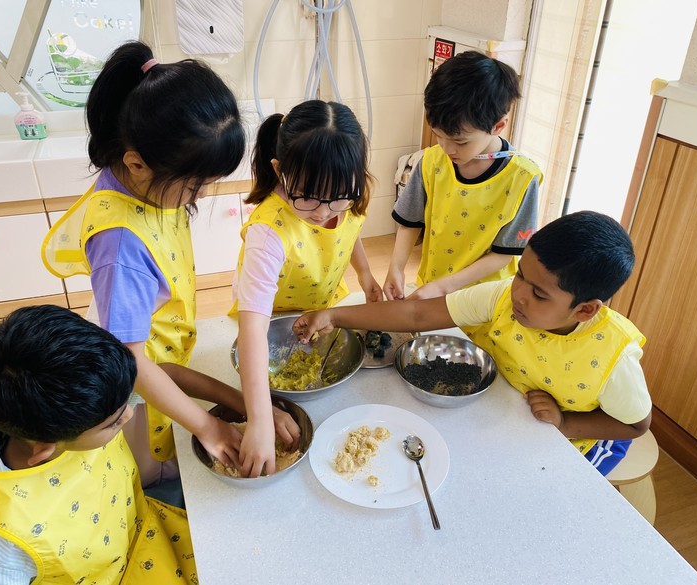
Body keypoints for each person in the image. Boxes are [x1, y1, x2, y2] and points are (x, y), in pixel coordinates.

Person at [42, 41, 299, 487]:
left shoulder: (143, 181)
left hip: (159, 360)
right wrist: (209, 425)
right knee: (150, 474)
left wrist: (247, 406)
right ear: (137, 164)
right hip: (136, 390)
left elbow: (164, 365)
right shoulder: (121, 246)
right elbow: (135, 365)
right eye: (194, 187)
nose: (198, 197)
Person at [294, 211, 652, 475]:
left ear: (585, 309)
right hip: (512, 407)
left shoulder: (614, 356)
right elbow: (417, 316)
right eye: (520, 275)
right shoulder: (503, 297)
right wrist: (335, 316)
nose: (519, 295)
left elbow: (636, 426)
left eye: (539, 294)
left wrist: (565, 422)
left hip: (577, 437)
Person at [0, 305, 198, 584]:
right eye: (113, 423)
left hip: (145, 532)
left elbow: (164, 378)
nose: (128, 414)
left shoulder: (73, 408)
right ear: (45, 448)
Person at [231, 100, 382, 477]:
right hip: (271, 318)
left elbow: (350, 231)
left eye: (338, 198)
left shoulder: (351, 194)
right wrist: (259, 419)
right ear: (279, 171)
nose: (324, 212)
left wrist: (365, 274)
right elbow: (252, 329)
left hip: (322, 303)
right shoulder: (268, 233)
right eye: (308, 196)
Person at [384, 51, 543, 302]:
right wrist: (396, 266)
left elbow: (505, 253)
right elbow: (410, 221)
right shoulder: (431, 161)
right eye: (438, 135)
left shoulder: (522, 178)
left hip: (484, 300)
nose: (447, 148)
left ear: (498, 126)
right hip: (433, 288)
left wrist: (444, 287)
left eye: (460, 141)